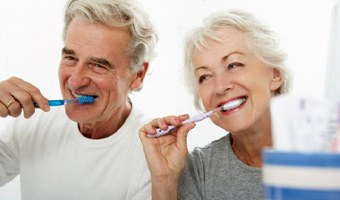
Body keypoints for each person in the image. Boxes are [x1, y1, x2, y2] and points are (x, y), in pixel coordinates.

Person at [0, 0, 157, 199]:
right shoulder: (34, 123)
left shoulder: (153, 155)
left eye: (99, 65)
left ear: (138, 75)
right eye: (70, 58)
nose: (75, 81)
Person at [139, 9, 291, 200]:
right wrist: (164, 180)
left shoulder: (327, 149)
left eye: (234, 65)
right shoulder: (198, 168)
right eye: (205, 76)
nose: (219, 87)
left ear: (275, 74)